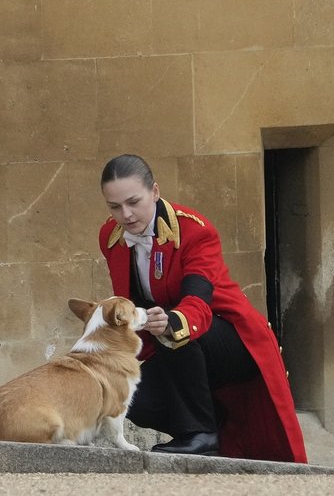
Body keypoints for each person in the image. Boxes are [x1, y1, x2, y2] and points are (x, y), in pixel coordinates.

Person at [97, 154, 307, 461]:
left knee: (177, 334)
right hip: (172, 345)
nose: (126, 215)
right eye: (114, 206)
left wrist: (170, 322)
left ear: (154, 192)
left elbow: (198, 301)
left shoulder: (195, 230)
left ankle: (200, 435)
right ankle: (216, 426)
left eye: (133, 202)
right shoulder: (110, 237)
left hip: (231, 339)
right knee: (130, 397)